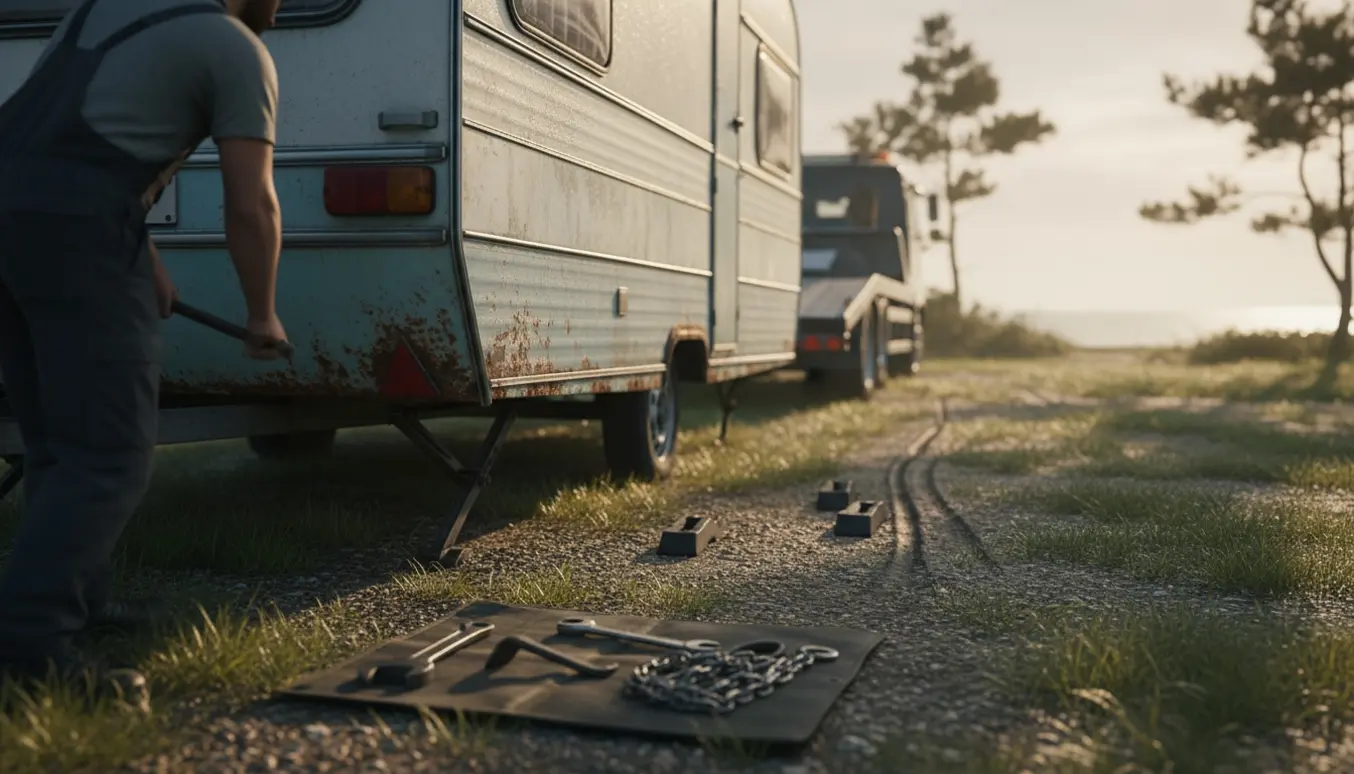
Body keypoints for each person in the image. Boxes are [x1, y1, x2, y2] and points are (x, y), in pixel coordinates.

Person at [0, 0, 290, 702]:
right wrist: (262, 313)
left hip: (15, 214)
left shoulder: (102, 9)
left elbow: (64, 139)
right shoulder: (235, 49)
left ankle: (83, 606)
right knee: (109, 454)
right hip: (79, 231)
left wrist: (146, 256)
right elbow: (251, 205)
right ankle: (29, 651)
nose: (278, 11)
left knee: (57, 444)